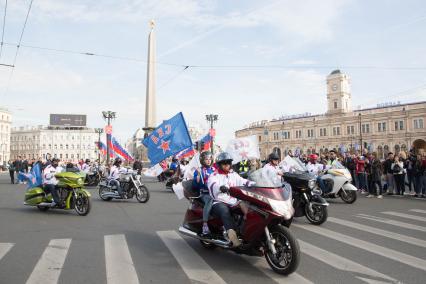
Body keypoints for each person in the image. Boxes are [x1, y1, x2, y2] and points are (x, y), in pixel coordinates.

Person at [207, 152, 254, 248]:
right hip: (219, 201)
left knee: (246, 205)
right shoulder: (214, 175)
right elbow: (212, 185)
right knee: (225, 211)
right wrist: (220, 187)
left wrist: (253, 183)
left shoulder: (233, 174)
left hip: (233, 200)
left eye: (228, 163)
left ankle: (247, 230)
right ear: (219, 164)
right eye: (224, 163)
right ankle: (233, 237)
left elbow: (242, 181)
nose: (227, 165)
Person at [192, 151, 216, 237]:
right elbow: (194, 186)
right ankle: (205, 224)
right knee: (210, 200)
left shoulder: (214, 170)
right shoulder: (199, 170)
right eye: (206, 159)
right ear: (202, 160)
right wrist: (198, 175)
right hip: (205, 193)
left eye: (210, 159)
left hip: (216, 192)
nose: (209, 161)